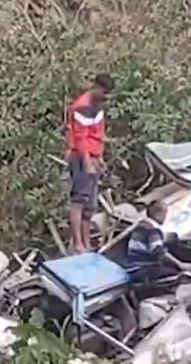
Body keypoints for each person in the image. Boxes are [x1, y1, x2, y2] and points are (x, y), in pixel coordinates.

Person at [66, 73, 115, 253]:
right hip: (81, 157)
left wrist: (99, 157)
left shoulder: (98, 106)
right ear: (95, 87)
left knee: (90, 205)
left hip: (94, 156)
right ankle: (78, 243)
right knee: (78, 201)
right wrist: (87, 160)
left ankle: (86, 243)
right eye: (103, 93)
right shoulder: (81, 107)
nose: (105, 98)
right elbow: (80, 137)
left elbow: (98, 133)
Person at [127, 201, 191, 279]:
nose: (165, 217)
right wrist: (180, 264)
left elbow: (166, 237)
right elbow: (157, 250)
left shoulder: (143, 225)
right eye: (165, 214)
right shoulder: (152, 229)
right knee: (180, 275)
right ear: (159, 214)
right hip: (144, 268)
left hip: (134, 266)